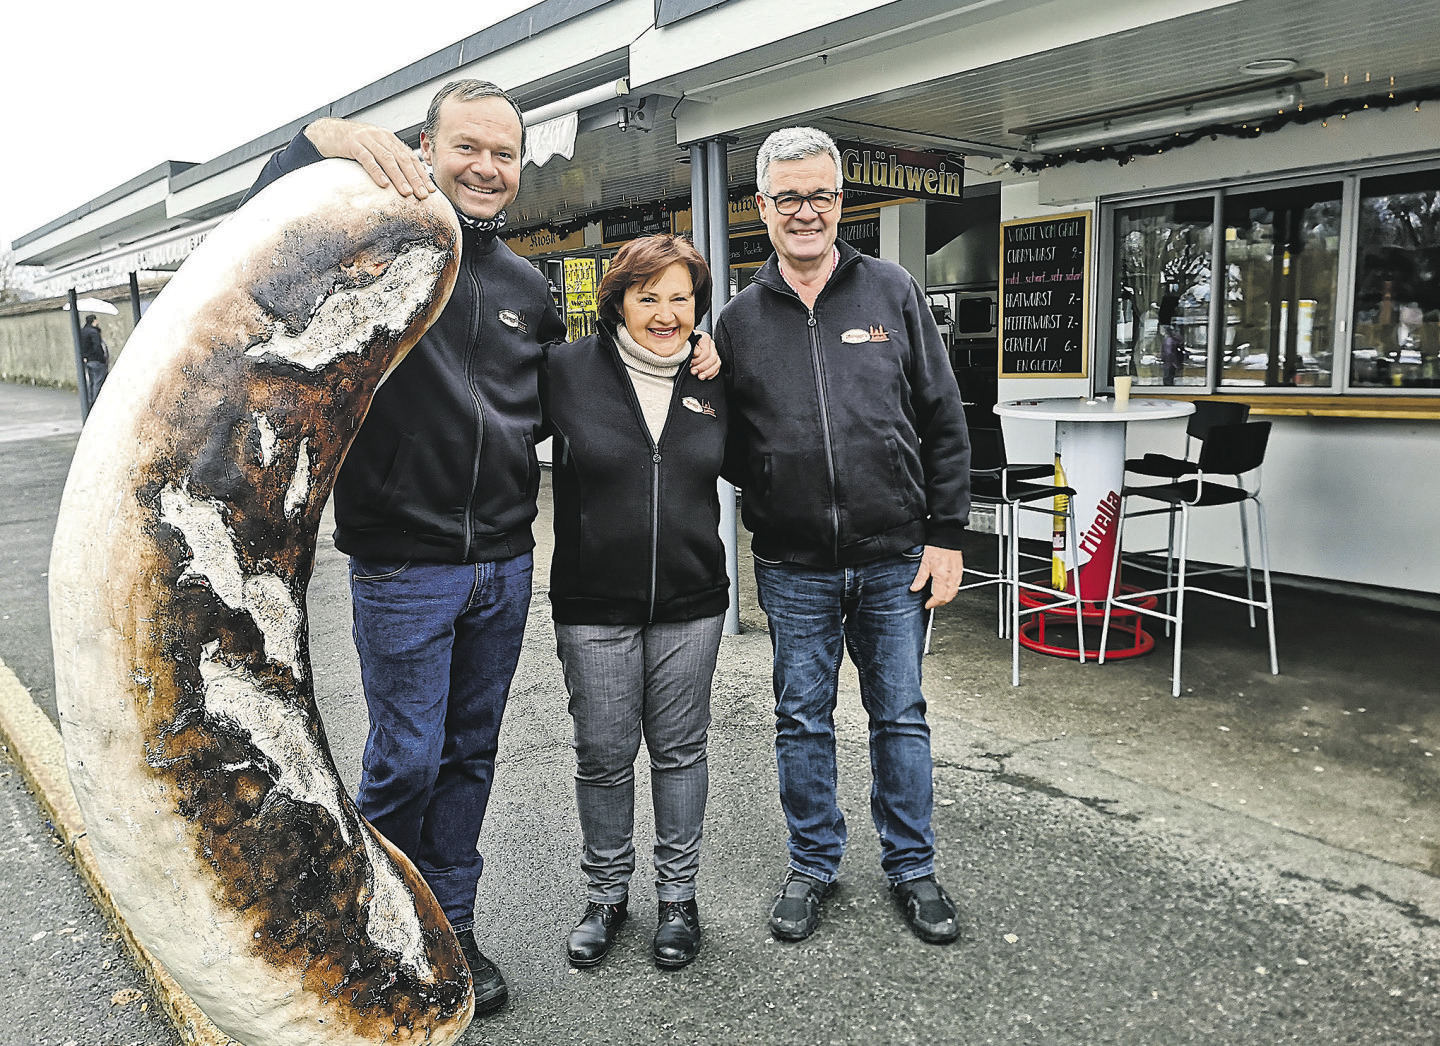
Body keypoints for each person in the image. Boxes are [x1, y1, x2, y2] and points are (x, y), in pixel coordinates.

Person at [243, 80, 716, 1014]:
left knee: (469, 756)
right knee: (404, 759)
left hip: (503, 562)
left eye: (505, 154)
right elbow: (266, 229)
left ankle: (451, 928)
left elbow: (582, 386)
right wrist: (317, 138)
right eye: (469, 148)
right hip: (402, 564)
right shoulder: (374, 246)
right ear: (428, 145)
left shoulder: (526, 288)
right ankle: (375, 934)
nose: (487, 168)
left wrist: (698, 352)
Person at [714, 126, 971, 946]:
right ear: (762, 207)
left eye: (819, 195)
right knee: (803, 719)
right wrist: (774, 484)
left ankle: (913, 868)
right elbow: (720, 442)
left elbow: (942, 418)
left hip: (896, 554)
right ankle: (813, 865)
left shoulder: (892, 291)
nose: (805, 212)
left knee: (900, 716)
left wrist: (947, 534)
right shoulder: (738, 321)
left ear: (840, 201)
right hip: (793, 566)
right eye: (788, 197)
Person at [546, 234, 727, 971]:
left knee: (680, 752)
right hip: (593, 602)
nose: (664, 313)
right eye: (647, 296)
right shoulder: (563, 371)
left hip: (691, 600)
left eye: (680, 298)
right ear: (616, 299)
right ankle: (607, 897)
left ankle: (678, 900)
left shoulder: (717, 377)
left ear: (697, 307)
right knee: (604, 755)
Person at [79, 315, 109, 409]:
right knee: (98, 381)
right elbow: (97, 347)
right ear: (94, 321)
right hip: (96, 360)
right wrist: (102, 359)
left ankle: (90, 400)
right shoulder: (93, 332)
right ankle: (96, 402)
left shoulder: (82, 331)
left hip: (87, 360)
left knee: (91, 381)